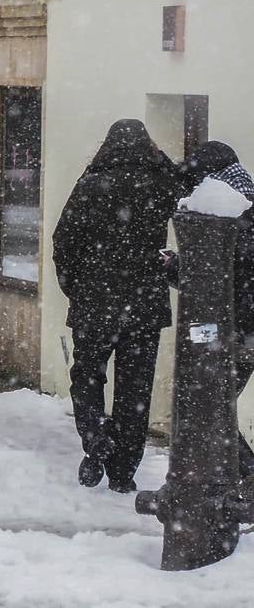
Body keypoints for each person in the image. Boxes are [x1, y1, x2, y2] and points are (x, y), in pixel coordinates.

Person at [52, 119, 188, 493]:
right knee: (135, 389)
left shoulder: (92, 184)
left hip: (95, 303)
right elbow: (187, 190)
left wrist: (75, 288)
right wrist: (161, 162)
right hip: (144, 306)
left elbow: (63, 240)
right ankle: (124, 468)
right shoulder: (161, 185)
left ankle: (96, 443)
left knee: (88, 376)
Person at [174, 141, 254, 479]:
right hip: (237, 330)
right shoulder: (242, 202)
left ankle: (244, 479)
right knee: (212, 408)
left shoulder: (229, 213)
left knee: (207, 409)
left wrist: (177, 269)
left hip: (231, 330)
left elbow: (220, 278)